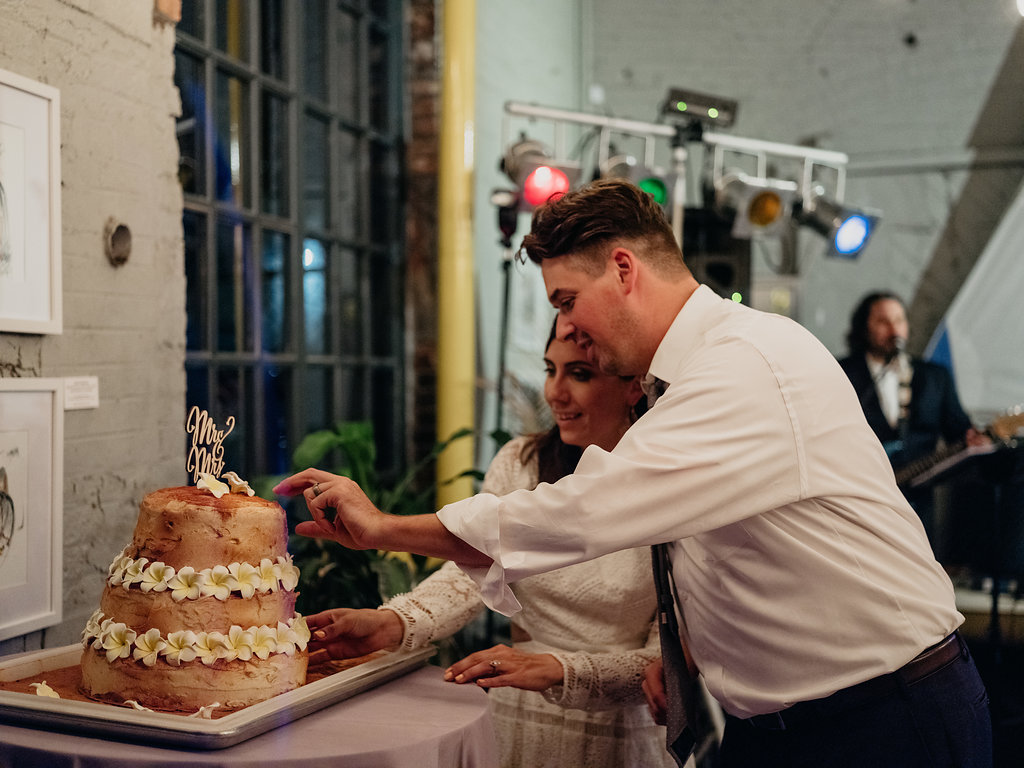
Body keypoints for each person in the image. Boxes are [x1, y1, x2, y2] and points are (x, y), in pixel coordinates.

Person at [275, 179, 992, 768]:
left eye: (567, 302)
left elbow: (586, 513)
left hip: (881, 721)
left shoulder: (743, 364)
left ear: (623, 270)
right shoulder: (674, 383)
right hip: (770, 728)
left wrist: (385, 529)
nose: (570, 331)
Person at [294, 325, 677, 768]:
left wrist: (560, 668)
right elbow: (473, 570)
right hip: (514, 715)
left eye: (580, 374)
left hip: (623, 736)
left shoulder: (664, 486)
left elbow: (665, 662)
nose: (555, 393)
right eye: (551, 370)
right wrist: (393, 623)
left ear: (634, 386)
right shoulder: (521, 462)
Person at [837, 291, 989, 554]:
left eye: (899, 320)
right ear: (863, 328)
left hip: (917, 505)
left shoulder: (934, 377)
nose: (894, 328)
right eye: (883, 321)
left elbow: (958, 430)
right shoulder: (841, 372)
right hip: (860, 503)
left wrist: (975, 439)